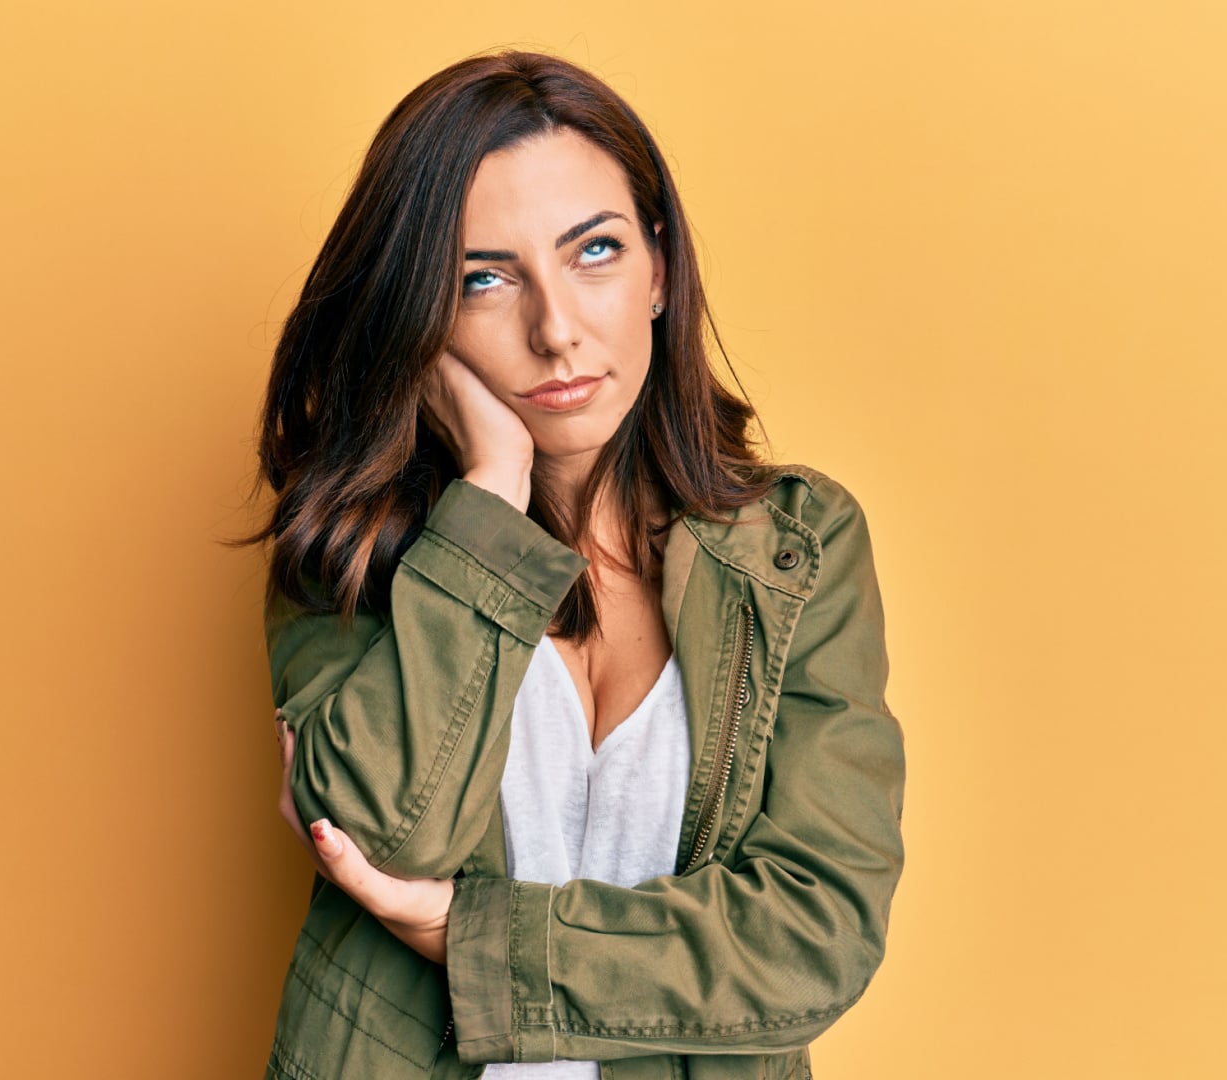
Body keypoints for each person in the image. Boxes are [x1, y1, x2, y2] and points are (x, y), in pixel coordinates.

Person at [233, 48, 906, 1080]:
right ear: (419, 316)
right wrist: (491, 494)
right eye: (483, 279)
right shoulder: (352, 535)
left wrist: (467, 938)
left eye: (594, 251)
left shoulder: (796, 550)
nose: (555, 331)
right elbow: (382, 835)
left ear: (659, 271)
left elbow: (814, 936)